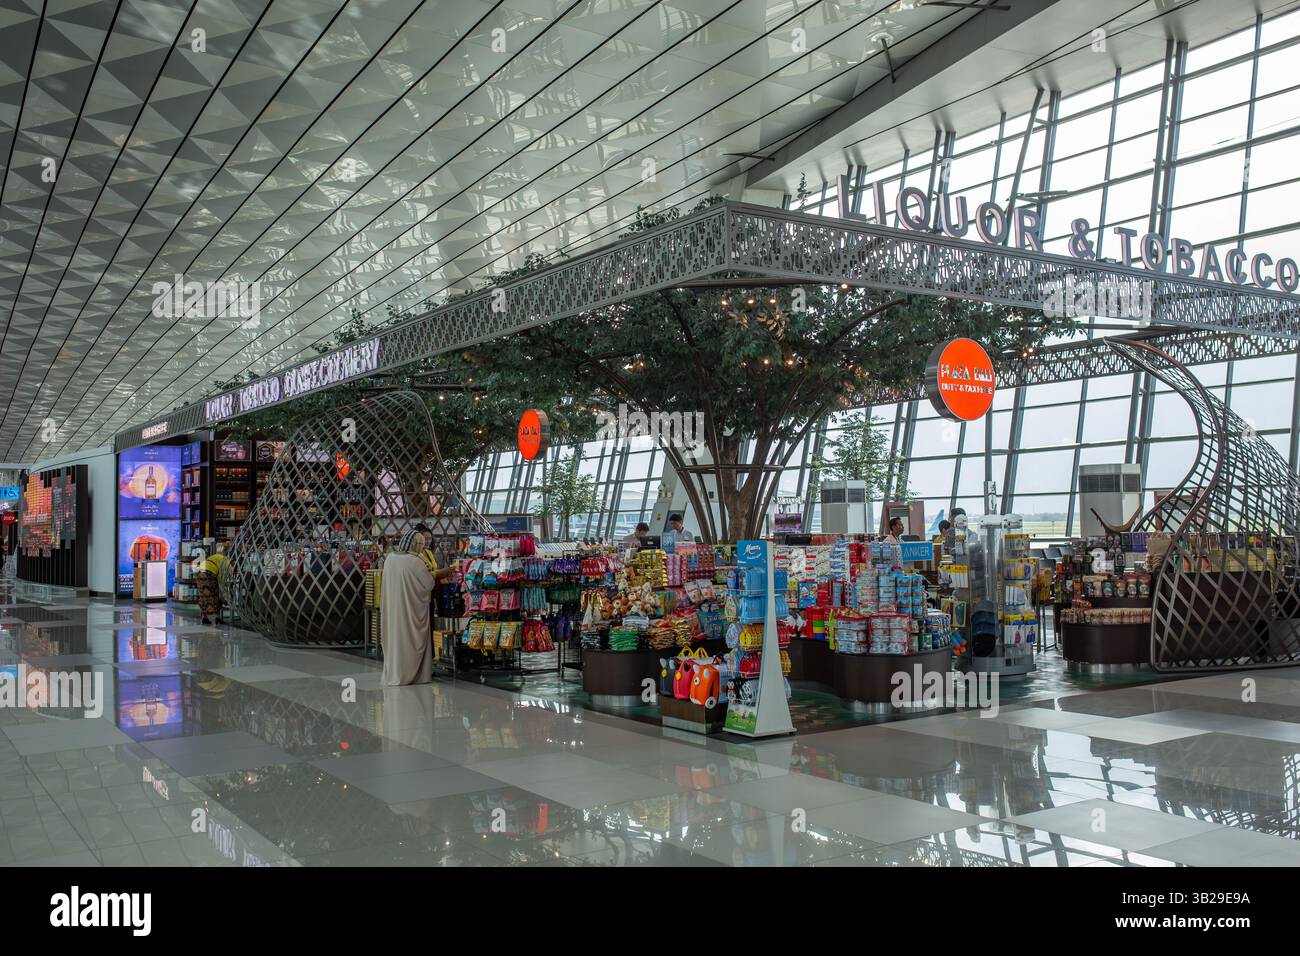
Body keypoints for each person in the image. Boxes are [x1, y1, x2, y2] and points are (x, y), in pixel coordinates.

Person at [381, 530, 439, 686]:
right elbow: (429, 584)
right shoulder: (416, 561)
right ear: (415, 544)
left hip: (393, 611)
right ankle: (416, 675)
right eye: (421, 544)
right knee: (410, 641)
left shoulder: (389, 559)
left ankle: (395, 672)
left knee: (396, 641)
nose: (423, 547)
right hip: (411, 611)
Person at [197, 546, 226, 625]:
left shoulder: (217, 556)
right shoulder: (226, 561)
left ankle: (205, 616)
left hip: (200, 573)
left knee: (204, 595)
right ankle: (216, 616)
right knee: (215, 595)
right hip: (209, 574)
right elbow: (224, 578)